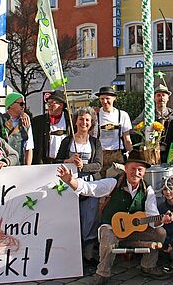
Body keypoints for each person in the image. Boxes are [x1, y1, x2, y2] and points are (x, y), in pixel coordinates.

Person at [57, 151, 172, 284]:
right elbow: (90, 188)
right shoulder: (113, 183)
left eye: (140, 170)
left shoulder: (147, 190)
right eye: (132, 169)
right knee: (107, 234)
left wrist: (161, 220)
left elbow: (152, 216)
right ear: (126, 168)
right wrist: (70, 180)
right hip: (112, 228)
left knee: (160, 232)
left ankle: (148, 266)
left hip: (134, 231)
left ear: (144, 172)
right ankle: (102, 273)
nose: (136, 173)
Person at [55, 107, 103, 265]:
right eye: (81, 119)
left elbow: (98, 165)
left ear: (91, 124)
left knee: (90, 219)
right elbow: (55, 162)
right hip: (69, 185)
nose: (84, 122)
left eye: (87, 120)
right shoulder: (67, 141)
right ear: (75, 121)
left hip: (89, 185)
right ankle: (70, 254)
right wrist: (67, 161)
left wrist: (83, 166)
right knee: (70, 219)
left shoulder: (95, 142)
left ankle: (88, 255)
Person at [94, 86, 133, 176]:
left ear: (114, 98)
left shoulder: (122, 115)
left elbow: (127, 139)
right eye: (102, 99)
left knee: (118, 182)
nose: (105, 101)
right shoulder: (95, 115)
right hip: (100, 155)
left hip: (117, 154)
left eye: (107, 98)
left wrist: (132, 156)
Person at [32, 90, 73, 164]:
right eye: (48, 103)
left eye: (52, 103)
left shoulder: (71, 121)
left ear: (61, 105)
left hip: (65, 161)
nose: (49, 106)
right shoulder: (38, 121)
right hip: (45, 162)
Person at [0, 92, 34, 165]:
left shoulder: (25, 122)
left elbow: (29, 147)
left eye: (24, 104)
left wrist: (28, 167)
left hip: (18, 164)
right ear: (11, 104)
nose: (23, 106)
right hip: (1, 164)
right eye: (21, 104)